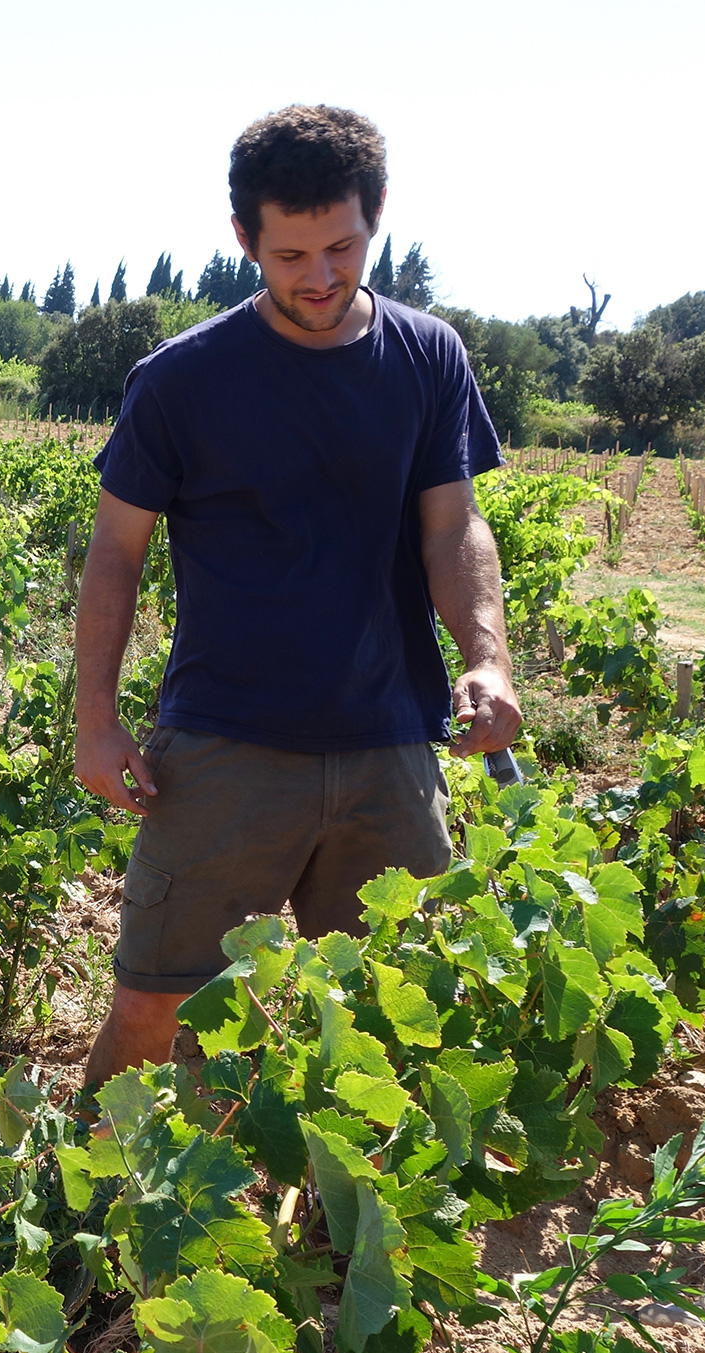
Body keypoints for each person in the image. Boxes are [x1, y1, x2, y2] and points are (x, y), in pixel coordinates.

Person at [74, 104, 522, 1091]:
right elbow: (115, 553)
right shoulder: (180, 381)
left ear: (379, 214)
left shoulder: (427, 357)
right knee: (157, 1004)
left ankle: (339, 1236)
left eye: (342, 247)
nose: (319, 277)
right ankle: (77, 1233)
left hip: (392, 752)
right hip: (225, 750)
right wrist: (96, 722)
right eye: (289, 255)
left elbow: (453, 527)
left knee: (387, 1023)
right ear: (244, 240)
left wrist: (486, 655)